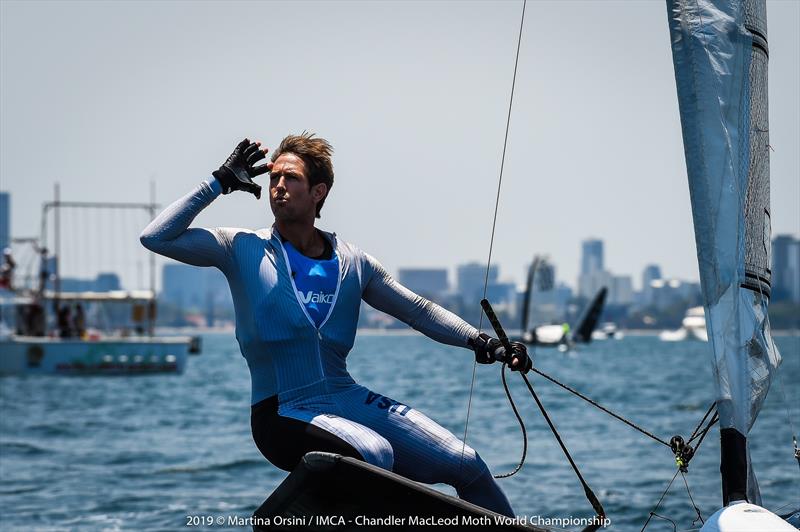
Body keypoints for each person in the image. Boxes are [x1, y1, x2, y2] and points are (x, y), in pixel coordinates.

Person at [140, 134, 532, 516]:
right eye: (273, 177)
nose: (278, 186)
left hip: (345, 397)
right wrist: (219, 181)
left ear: (318, 192)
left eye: (290, 178)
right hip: (281, 412)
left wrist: (485, 343)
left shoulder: (353, 262)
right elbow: (156, 236)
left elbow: (418, 310)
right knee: (374, 453)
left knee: (467, 463)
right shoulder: (240, 247)